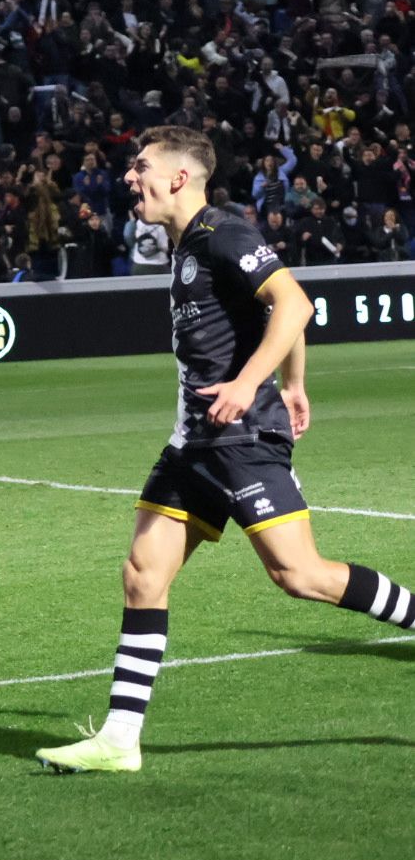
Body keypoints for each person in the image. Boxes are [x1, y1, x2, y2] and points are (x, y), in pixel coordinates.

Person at [36, 127, 415, 774]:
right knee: (142, 575)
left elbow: (293, 303)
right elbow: (278, 316)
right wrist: (293, 382)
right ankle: (121, 740)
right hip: (193, 443)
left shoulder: (222, 233)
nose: (130, 178)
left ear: (180, 177)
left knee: (299, 576)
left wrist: (259, 383)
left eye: (141, 166)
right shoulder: (188, 247)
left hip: (240, 440)